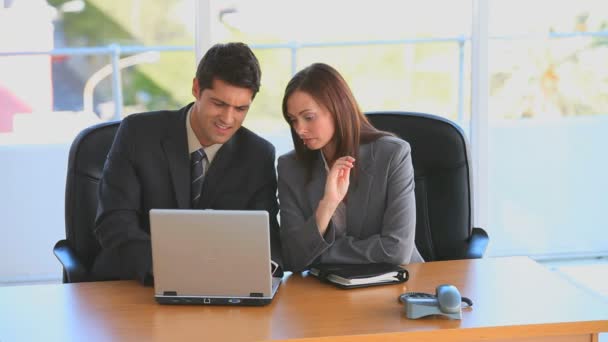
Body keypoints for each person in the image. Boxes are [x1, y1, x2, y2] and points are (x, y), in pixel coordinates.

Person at [92, 42, 282, 285]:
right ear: (196, 88)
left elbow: (267, 240)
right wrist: (179, 271)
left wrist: (259, 271)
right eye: (219, 104)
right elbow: (114, 222)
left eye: (241, 108)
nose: (228, 118)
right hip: (137, 284)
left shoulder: (258, 155)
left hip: (221, 289)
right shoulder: (138, 134)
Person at [277, 63, 423, 272]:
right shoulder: (290, 167)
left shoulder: (392, 155)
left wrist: (320, 254)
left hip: (396, 283)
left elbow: (396, 250)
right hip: (325, 291)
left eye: (308, 117)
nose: (299, 129)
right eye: (293, 120)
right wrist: (327, 205)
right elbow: (292, 258)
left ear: (337, 109)